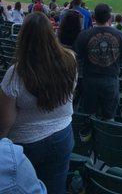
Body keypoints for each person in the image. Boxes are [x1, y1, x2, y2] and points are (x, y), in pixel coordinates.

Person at [0, 12, 77, 194]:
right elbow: (69, 93)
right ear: (52, 33)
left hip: (26, 144)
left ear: (23, 37)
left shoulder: (16, 72)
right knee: (57, 186)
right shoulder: (71, 58)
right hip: (63, 134)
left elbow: (5, 122)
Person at [75, 3, 122, 119]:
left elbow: (77, 58)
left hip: (89, 80)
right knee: (109, 116)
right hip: (111, 80)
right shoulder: (119, 34)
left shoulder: (84, 35)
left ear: (94, 17)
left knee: (89, 115)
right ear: (110, 18)